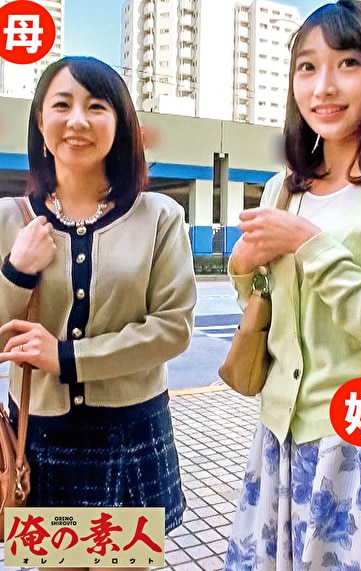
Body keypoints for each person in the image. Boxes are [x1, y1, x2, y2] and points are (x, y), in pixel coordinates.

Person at [0, 56, 196, 571]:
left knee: (124, 567)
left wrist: (68, 358)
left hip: (131, 434)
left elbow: (173, 328)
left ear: (120, 123)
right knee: (52, 567)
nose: (77, 120)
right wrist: (17, 271)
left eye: (96, 106)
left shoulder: (160, 217)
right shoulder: (8, 219)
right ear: (40, 121)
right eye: (62, 105)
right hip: (41, 439)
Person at [224, 1, 361, 569]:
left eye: (348, 63)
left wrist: (311, 247)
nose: (323, 86)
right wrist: (244, 268)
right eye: (307, 66)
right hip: (280, 438)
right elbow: (272, 310)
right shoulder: (284, 186)